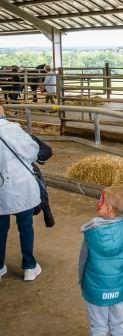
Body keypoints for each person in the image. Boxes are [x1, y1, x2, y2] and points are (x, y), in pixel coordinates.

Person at [79, 186, 123, 336]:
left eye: (101, 200)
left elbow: (82, 261)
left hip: (94, 289)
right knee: (119, 324)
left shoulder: (91, 231)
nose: (97, 203)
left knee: (98, 326)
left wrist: (82, 282)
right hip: (120, 288)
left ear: (108, 208)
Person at [0, 104, 42, 282]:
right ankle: (29, 267)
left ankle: (0, 267)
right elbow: (33, 151)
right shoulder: (12, 129)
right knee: (25, 227)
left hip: (1, 190)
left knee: (1, 229)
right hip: (22, 186)